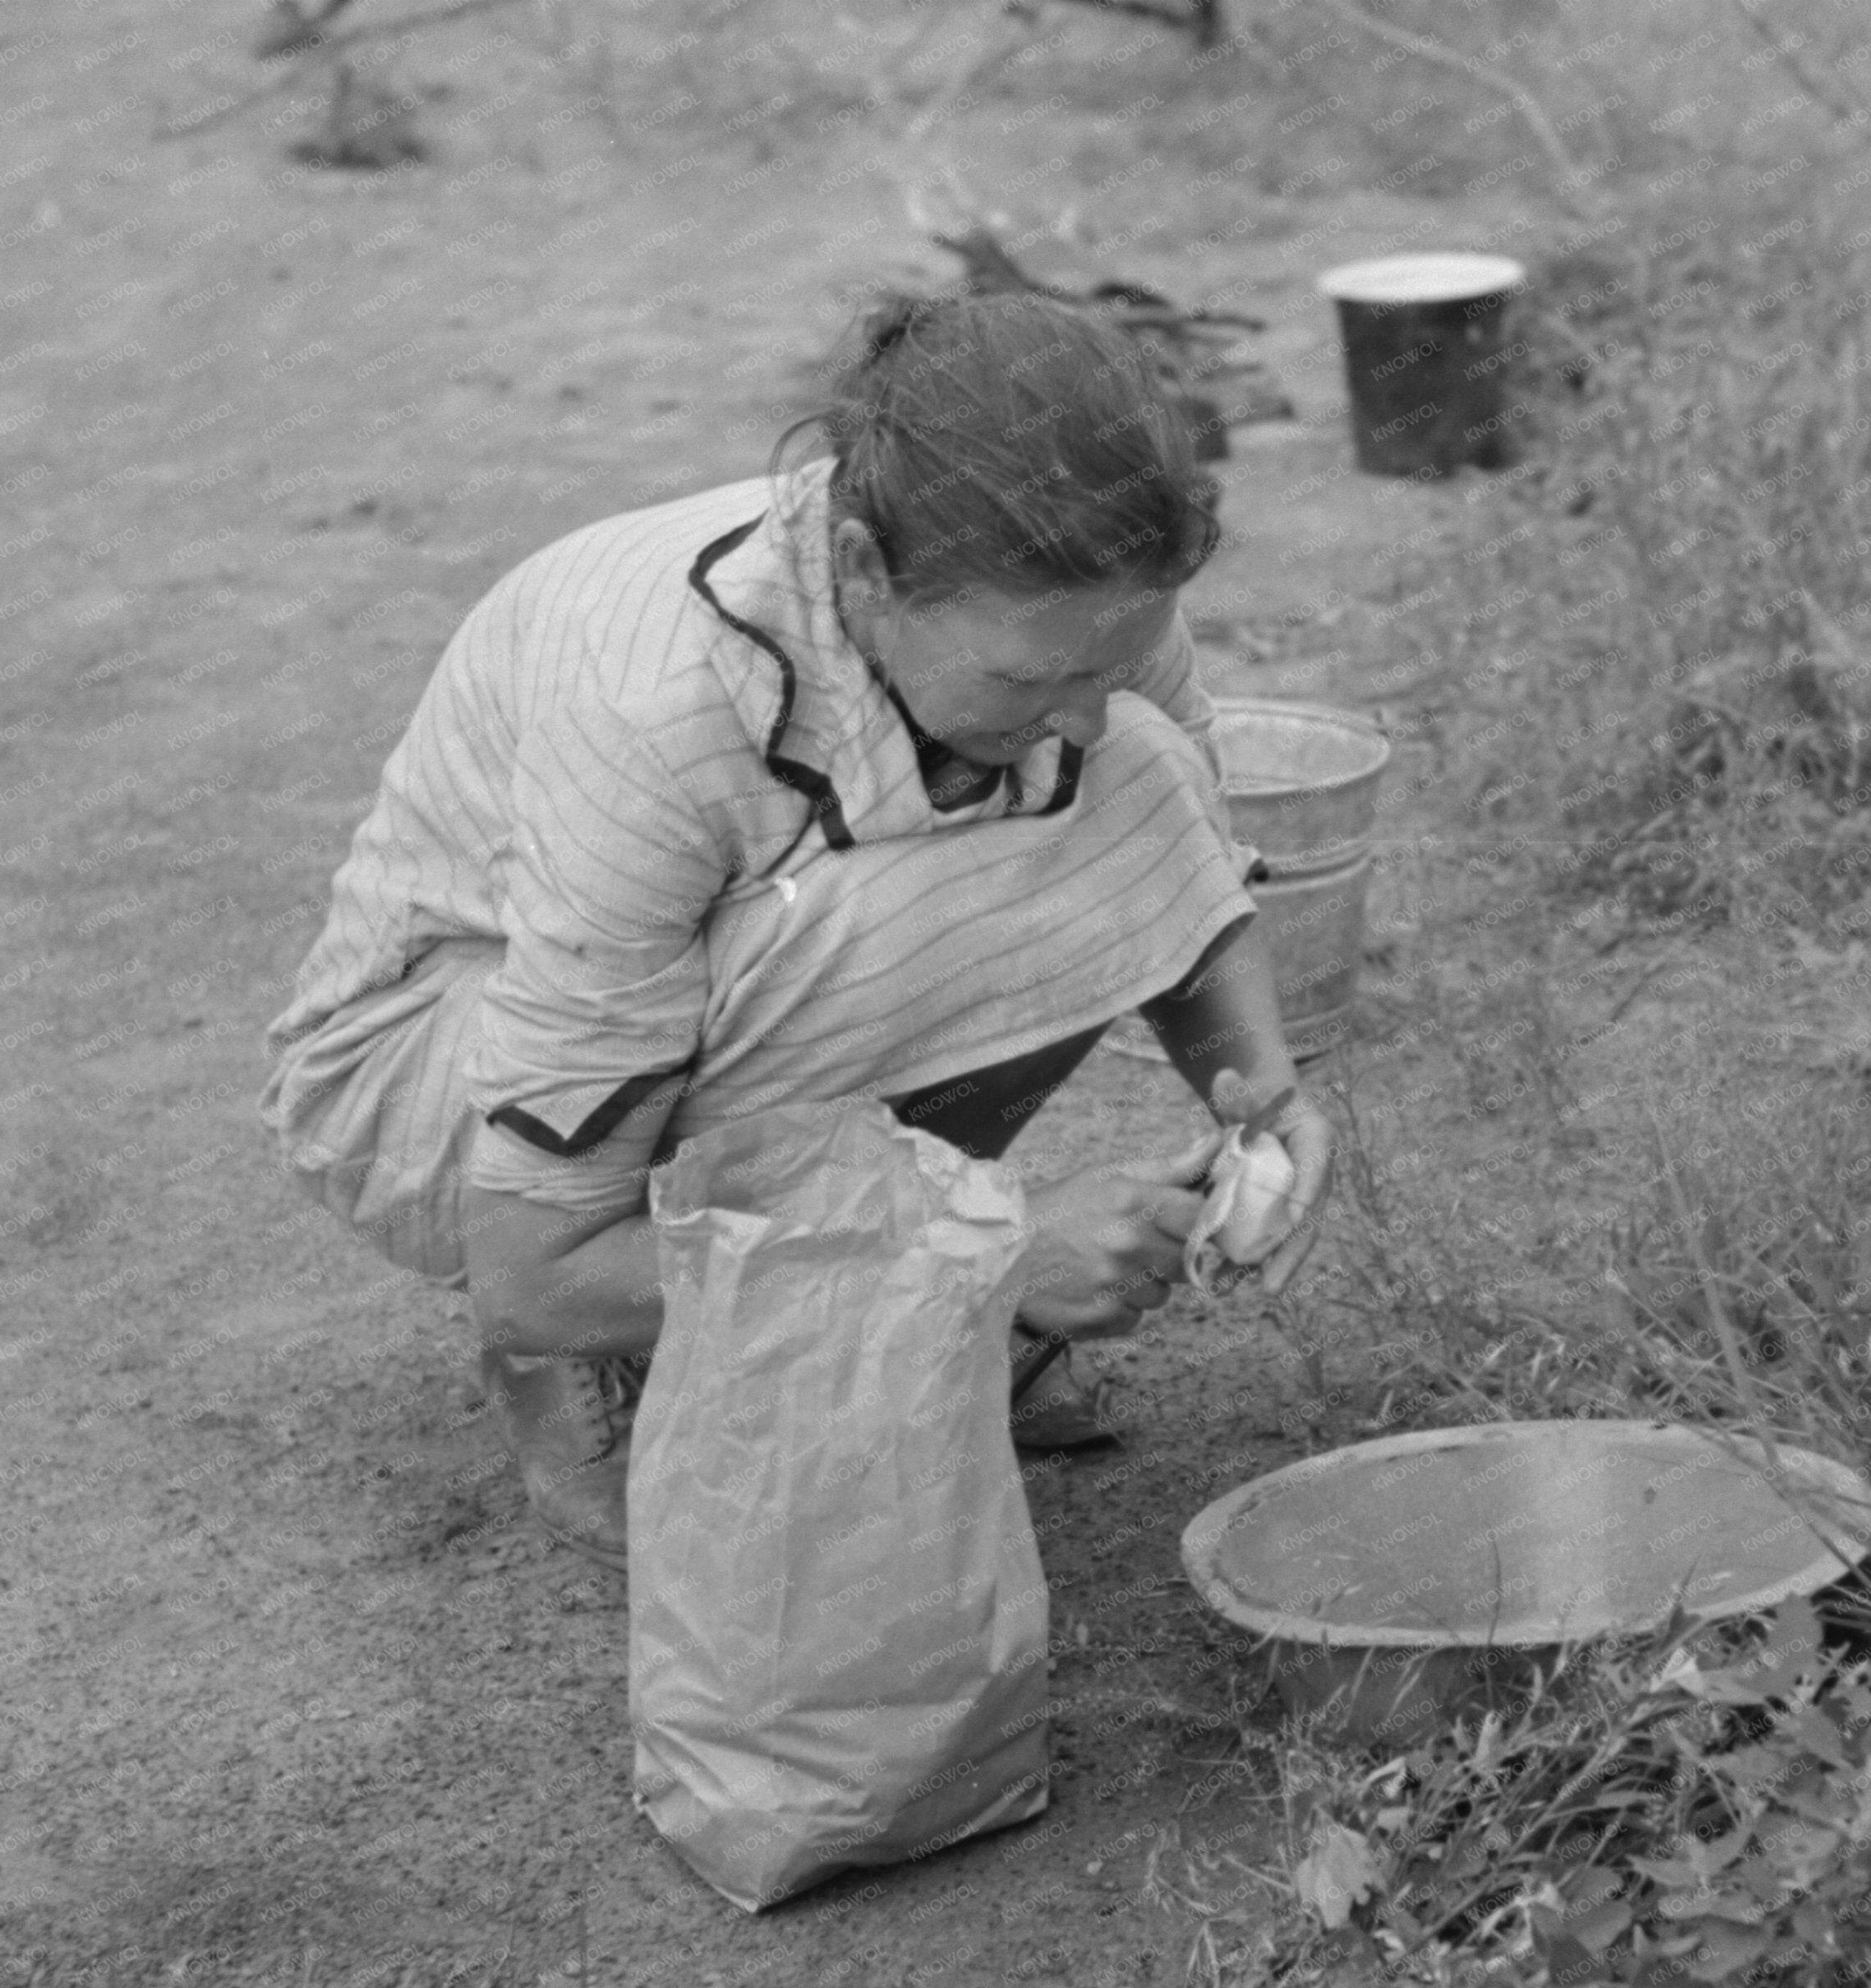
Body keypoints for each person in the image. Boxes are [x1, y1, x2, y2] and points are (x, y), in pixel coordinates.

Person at [260, 288, 1336, 1567]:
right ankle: (603, 1357)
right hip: (435, 1093)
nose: (1087, 710)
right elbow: (532, 1262)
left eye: (1113, 661)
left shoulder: (1072, 603)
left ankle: (839, 1295)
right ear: (865, 571)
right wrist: (983, 1262)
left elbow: (1162, 836)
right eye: (1032, 680)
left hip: (718, 994)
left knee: (1123, 785)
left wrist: (1258, 1091)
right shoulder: (654, 715)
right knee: (947, 897)